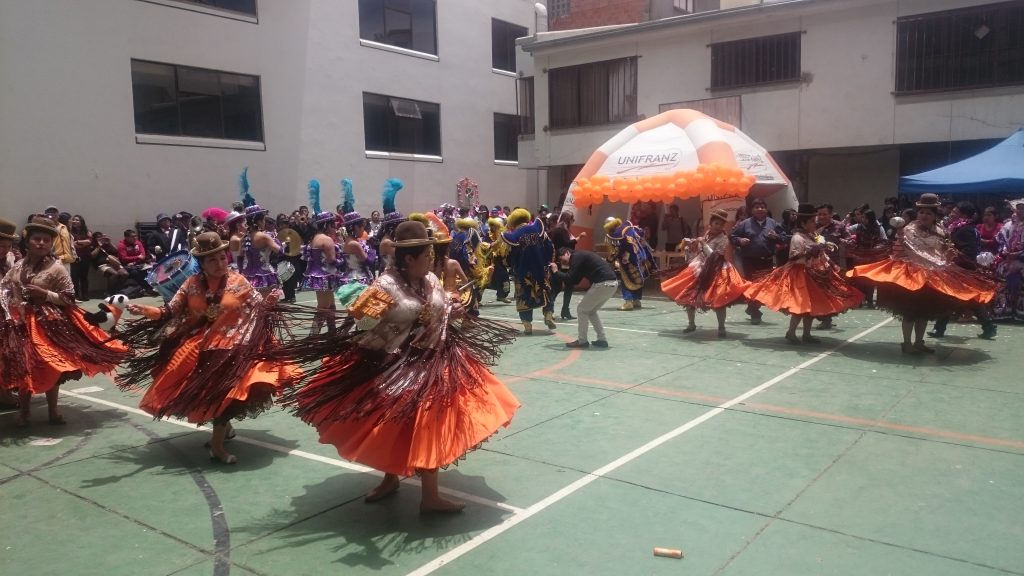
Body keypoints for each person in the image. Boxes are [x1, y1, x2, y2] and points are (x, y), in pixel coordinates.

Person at [275, 220, 520, 513]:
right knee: (397, 425)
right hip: (394, 365)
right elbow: (361, 326)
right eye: (427, 255)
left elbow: (441, 308)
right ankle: (391, 478)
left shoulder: (429, 279)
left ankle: (430, 496)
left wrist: (453, 308)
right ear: (408, 259)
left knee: (429, 424)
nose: (432, 260)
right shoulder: (384, 287)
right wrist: (367, 314)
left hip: (433, 360)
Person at [121, 232, 298, 463]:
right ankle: (219, 442)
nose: (220, 264)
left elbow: (258, 306)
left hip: (235, 343)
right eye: (212, 260)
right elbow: (169, 312)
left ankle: (218, 443)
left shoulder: (238, 281)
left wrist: (272, 300)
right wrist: (144, 309)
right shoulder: (191, 284)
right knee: (215, 394)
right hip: (201, 345)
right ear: (201, 264)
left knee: (224, 392)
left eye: (222, 258)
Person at [1, 216, 129, 426]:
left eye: (46, 240)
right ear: (27, 242)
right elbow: (4, 287)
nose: (41, 243)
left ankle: (53, 411)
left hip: (48, 324)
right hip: (20, 323)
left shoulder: (57, 268)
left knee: (52, 365)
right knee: (25, 365)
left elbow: (69, 297)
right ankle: (24, 412)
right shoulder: (18, 265)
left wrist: (45, 294)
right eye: (36, 239)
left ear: (51, 244)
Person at [848, 194, 998, 353]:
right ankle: (906, 343)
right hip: (912, 275)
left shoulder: (941, 231)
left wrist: (951, 258)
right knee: (910, 311)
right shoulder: (909, 229)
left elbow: (944, 251)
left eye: (928, 213)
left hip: (932, 276)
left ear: (934, 215)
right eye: (921, 212)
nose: (924, 216)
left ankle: (919, 342)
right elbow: (912, 251)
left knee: (924, 312)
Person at [745, 204, 864, 344]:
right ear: (803, 223)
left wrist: (831, 264)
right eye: (813, 221)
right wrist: (810, 252)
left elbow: (821, 253)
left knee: (811, 307)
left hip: (815, 274)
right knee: (800, 306)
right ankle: (791, 332)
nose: (816, 223)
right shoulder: (797, 238)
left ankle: (806, 334)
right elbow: (794, 258)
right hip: (800, 275)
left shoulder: (814, 235)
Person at [661, 209, 750, 337]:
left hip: (717, 269)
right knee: (689, 297)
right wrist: (690, 246)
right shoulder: (706, 235)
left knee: (719, 300)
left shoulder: (724, 239)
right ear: (711, 224)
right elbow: (696, 253)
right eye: (716, 223)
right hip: (698, 268)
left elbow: (713, 256)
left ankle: (721, 327)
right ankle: (691, 324)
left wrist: (702, 243)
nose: (718, 226)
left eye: (721, 224)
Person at [927, 202, 997, 340]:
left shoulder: (966, 230)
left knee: (949, 296)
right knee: (968, 299)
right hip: (959, 269)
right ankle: (988, 326)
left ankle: (939, 328)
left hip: (961, 270)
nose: (951, 213)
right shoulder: (962, 228)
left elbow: (969, 251)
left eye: (955, 210)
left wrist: (953, 257)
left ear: (963, 215)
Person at [730, 198, 787, 324]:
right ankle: (755, 312)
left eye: (762, 207)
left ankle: (752, 308)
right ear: (751, 210)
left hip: (766, 261)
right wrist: (740, 241)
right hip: (750, 261)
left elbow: (784, 238)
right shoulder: (745, 223)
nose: (760, 209)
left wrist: (776, 237)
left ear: (766, 209)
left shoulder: (773, 223)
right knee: (753, 287)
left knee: (765, 288)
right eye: (756, 207)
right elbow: (732, 236)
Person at [550, 247, 617, 348]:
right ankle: (602, 340)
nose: (561, 262)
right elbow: (574, 280)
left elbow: (570, 278)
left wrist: (556, 271)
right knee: (591, 311)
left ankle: (582, 341)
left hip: (602, 283)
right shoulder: (580, 258)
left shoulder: (576, 257)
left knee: (581, 310)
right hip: (612, 284)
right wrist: (559, 273)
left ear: (567, 253)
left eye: (561, 259)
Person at [503, 209, 556, 334]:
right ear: (526, 218)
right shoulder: (538, 228)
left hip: (523, 272)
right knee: (545, 291)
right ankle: (548, 314)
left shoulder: (512, 236)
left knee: (524, 296)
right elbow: (550, 247)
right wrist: (547, 261)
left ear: (513, 222)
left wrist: (511, 266)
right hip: (540, 268)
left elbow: (509, 256)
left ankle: (527, 325)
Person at [604, 217, 657, 311]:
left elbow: (617, 250)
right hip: (640, 257)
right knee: (638, 279)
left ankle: (628, 302)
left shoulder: (617, 234)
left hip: (627, 260)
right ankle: (636, 300)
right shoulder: (630, 228)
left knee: (627, 281)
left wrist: (608, 260)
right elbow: (642, 238)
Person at [302, 211, 342, 334]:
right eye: (333, 225)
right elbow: (332, 260)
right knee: (323, 307)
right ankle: (312, 337)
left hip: (319, 275)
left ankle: (332, 332)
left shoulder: (315, 238)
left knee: (330, 304)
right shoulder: (327, 239)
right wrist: (345, 261)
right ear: (327, 225)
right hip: (326, 276)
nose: (334, 228)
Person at [844, 208, 891, 308]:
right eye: (862, 217)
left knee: (870, 280)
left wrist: (875, 249)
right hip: (860, 257)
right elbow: (845, 230)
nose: (862, 219)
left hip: (872, 258)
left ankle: (869, 301)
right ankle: (859, 301)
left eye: (865, 217)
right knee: (859, 279)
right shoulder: (858, 226)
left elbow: (884, 240)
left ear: (870, 218)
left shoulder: (878, 228)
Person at [238, 205, 284, 294]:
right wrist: (277, 240)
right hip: (264, 274)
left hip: (247, 275)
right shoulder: (265, 237)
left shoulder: (244, 238)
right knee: (266, 305)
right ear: (259, 221)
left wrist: (240, 273)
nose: (264, 223)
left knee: (253, 305)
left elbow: (240, 258)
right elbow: (280, 251)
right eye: (263, 220)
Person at [548, 211, 585, 320]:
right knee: (558, 286)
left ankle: (562, 310)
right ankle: (551, 310)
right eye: (572, 220)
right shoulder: (561, 230)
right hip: (561, 261)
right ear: (568, 219)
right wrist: (579, 238)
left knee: (565, 286)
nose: (573, 222)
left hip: (562, 261)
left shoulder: (560, 229)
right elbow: (567, 244)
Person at [43, 206, 76, 272]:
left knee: (66, 282)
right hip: (51, 262)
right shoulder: (44, 229)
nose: (52, 216)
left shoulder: (63, 227)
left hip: (65, 262)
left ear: (58, 216)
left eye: (54, 214)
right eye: (49, 214)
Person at [69, 214, 92, 300]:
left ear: (81, 222)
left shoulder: (87, 231)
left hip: (85, 257)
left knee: (84, 277)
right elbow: (71, 244)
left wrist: (78, 242)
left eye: (77, 220)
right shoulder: (70, 232)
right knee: (74, 277)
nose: (74, 221)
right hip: (74, 257)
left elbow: (89, 241)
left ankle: (85, 294)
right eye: (73, 220)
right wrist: (81, 243)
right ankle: (76, 295)